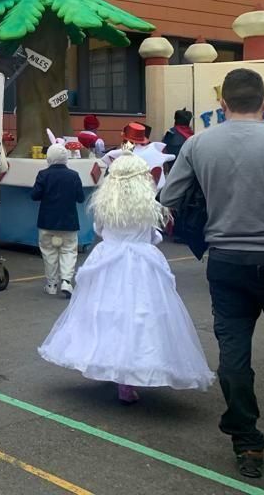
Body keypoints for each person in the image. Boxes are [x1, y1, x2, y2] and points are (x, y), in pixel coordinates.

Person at [161, 68, 264, 481]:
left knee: (234, 353)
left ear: (223, 105)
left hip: (227, 261)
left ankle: (247, 441)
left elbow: (169, 199)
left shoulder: (198, 144)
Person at [39, 152, 213, 405]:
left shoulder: (104, 205)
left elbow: (100, 230)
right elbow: (154, 236)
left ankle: (112, 365)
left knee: (106, 314)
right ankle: (131, 374)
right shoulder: (150, 207)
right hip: (142, 263)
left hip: (108, 259)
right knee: (142, 316)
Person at [31, 142, 85, 299]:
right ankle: (67, 281)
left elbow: (34, 195)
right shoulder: (74, 175)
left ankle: (51, 284)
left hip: (47, 222)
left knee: (49, 253)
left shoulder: (43, 174)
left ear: (49, 157)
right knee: (68, 251)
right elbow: (80, 198)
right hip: (69, 222)